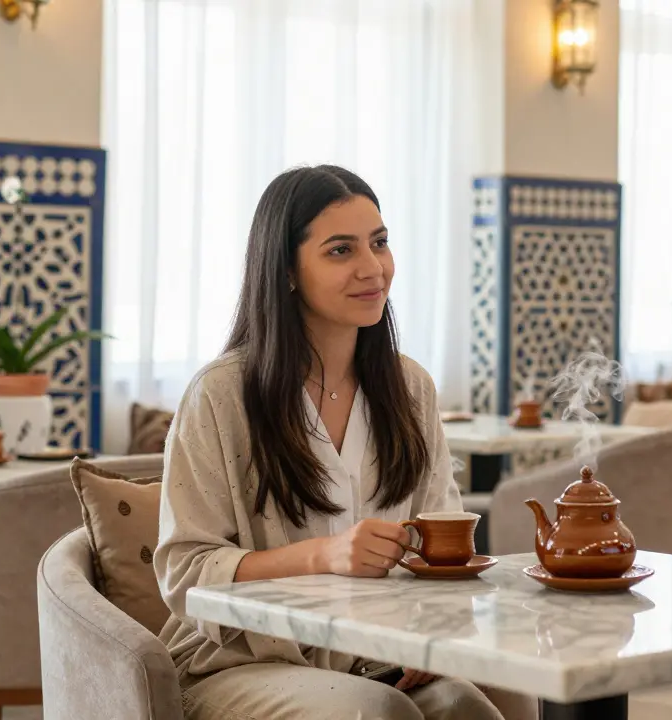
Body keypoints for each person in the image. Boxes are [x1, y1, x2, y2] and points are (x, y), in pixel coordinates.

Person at [154, 165, 522, 719]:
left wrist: (436, 630)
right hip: (239, 660)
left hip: (375, 653)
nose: (372, 267)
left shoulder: (411, 388)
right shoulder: (221, 394)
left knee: (469, 705)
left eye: (380, 243)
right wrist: (323, 556)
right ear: (286, 271)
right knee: (376, 711)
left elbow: (442, 543)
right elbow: (186, 572)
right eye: (340, 250)